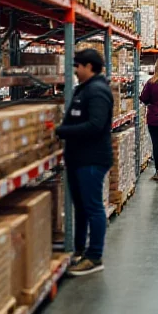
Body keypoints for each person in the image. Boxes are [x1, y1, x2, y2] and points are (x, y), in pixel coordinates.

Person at [55, 48, 114, 276]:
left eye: (78, 66)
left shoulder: (97, 91)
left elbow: (96, 125)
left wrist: (62, 131)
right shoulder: (86, 89)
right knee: (81, 207)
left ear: (89, 67)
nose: (76, 71)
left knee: (93, 207)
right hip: (79, 158)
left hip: (92, 158)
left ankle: (94, 256)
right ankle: (80, 248)